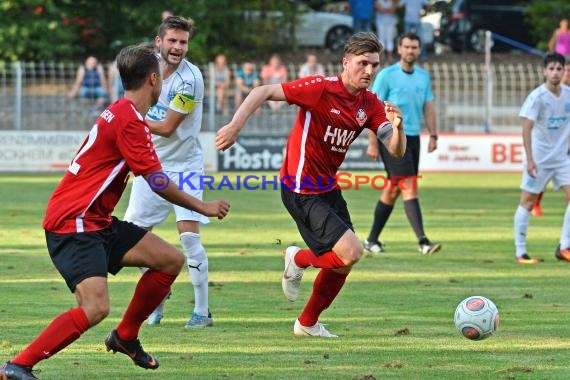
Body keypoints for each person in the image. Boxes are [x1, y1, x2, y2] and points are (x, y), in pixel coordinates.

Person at [0, 43, 230, 380]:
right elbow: (157, 181)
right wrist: (201, 206)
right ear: (154, 79)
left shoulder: (122, 111)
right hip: (74, 222)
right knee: (95, 308)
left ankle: (125, 336)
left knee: (170, 260)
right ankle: (17, 366)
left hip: (95, 220)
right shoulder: (130, 122)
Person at [216, 32, 406, 337]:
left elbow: (395, 149)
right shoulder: (319, 88)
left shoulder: (369, 103)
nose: (369, 71)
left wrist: (400, 128)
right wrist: (235, 125)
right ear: (346, 63)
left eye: (374, 65)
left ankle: (307, 324)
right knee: (352, 251)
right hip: (300, 189)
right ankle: (297, 257)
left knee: (343, 263)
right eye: (362, 63)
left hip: (328, 188)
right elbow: (262, 91)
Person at [124, 16, 213, 329]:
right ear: (158, 41)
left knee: (189, 238)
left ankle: (202, 312)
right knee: (132, 240)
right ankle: (157, 298)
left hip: (185, 166)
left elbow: (166, 126)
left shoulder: (190, 79)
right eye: (172, 41)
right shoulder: (143, 70)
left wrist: (128, 121)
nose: (178, 47)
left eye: (183, 42)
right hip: (151, 167)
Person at [364, 32, 441, 256]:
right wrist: (372, 142)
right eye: (406, 47)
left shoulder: (423, 77)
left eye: (414, 47)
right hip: (391, 137)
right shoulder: (387, 75)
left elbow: (429, 106)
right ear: (399, 49)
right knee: (408, 185)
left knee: (393, 189)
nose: (410, 51)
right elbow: (372, 108)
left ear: (419, 50)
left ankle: (371, 240)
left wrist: (433, 135)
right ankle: (423, 241)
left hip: (414, 138)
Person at [514, 53, 570, 264]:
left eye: (559, 69)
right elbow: (526, 128)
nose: (556, 73)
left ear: (564, 71)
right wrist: (530, 159)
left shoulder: (568, 94)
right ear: (545, 71)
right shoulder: (537, 97)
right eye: (552, 69)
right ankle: (521, 252)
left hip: (561, 159)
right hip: (539, 159)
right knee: (527, 203)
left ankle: (565, 246)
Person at [530, 61, 570, 217]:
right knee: (541, 179)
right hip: (549, 145)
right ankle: (536, 204)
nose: (566, 73)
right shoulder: (547, 92)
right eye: (565, 70)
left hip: (566, 142)